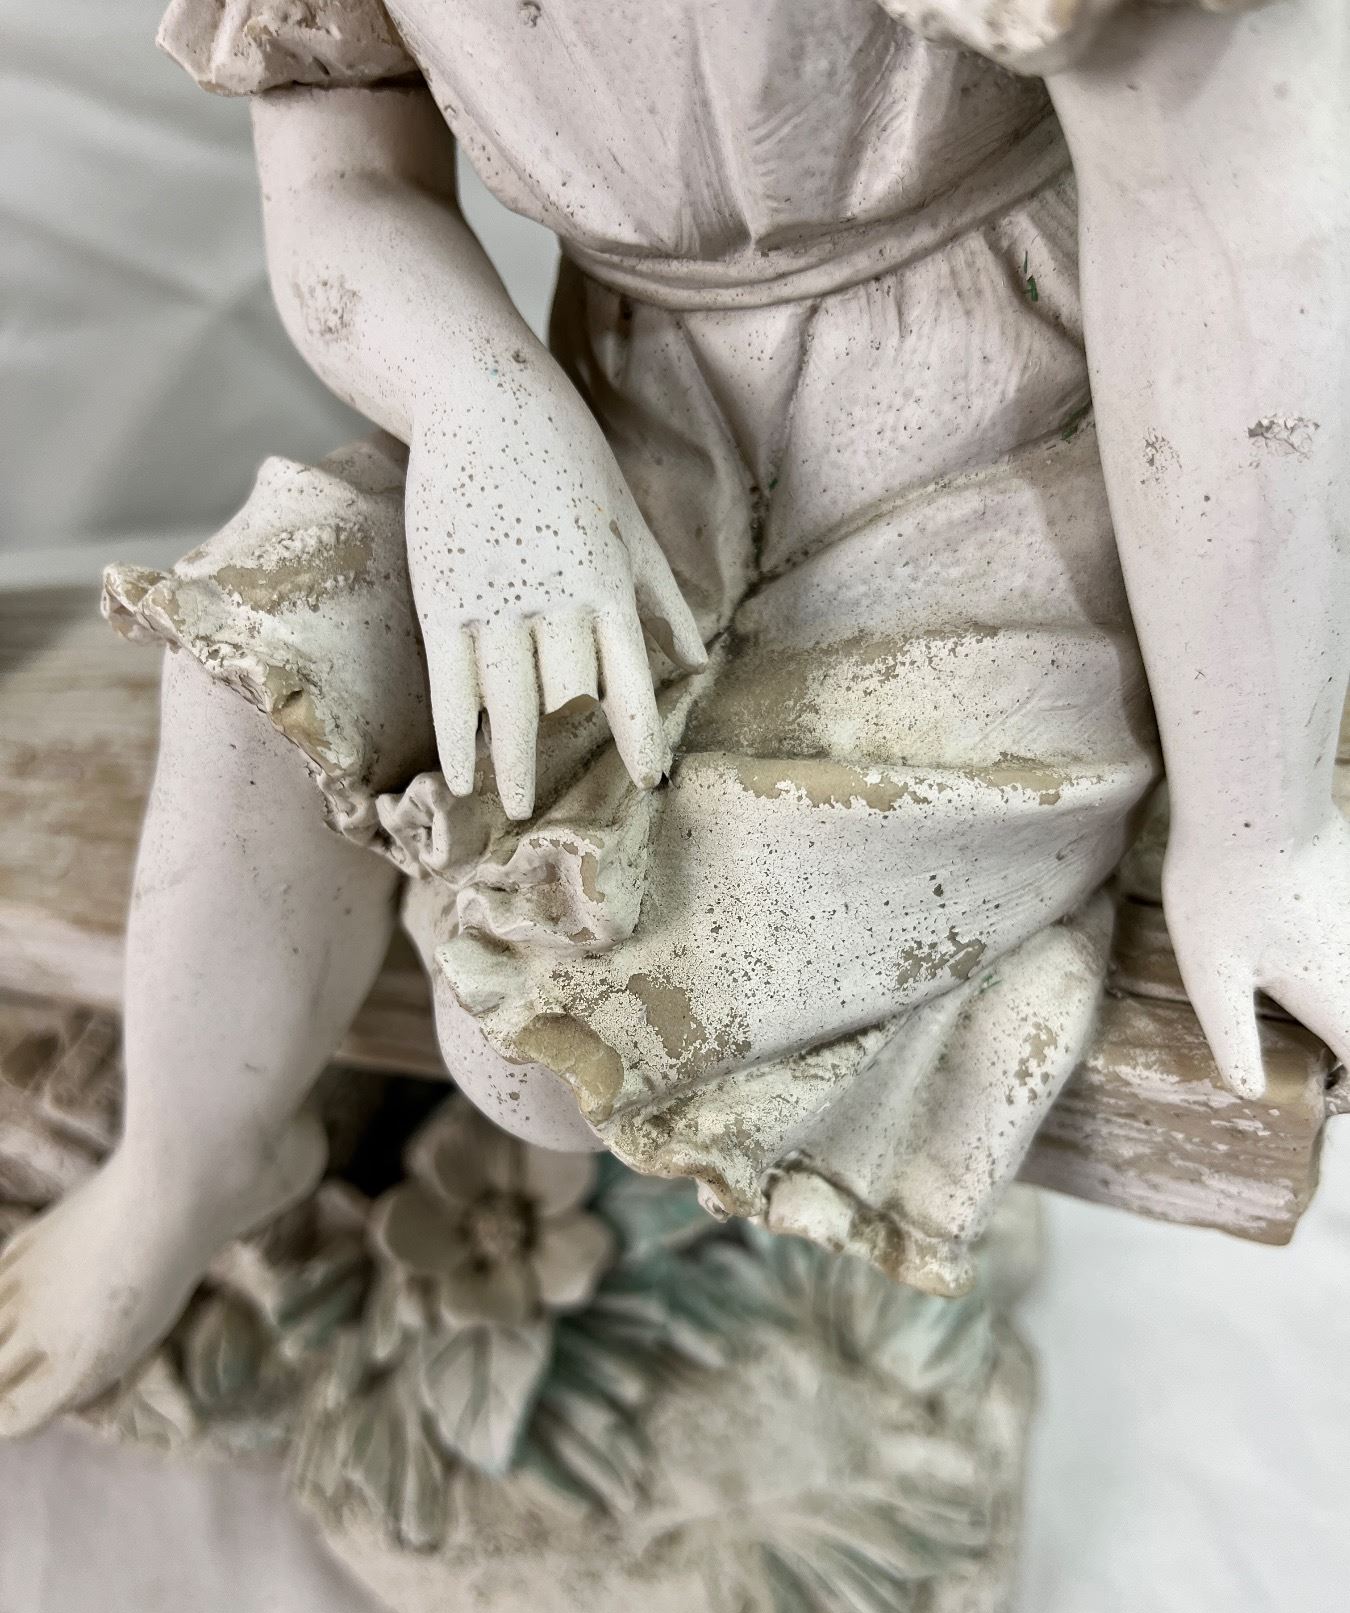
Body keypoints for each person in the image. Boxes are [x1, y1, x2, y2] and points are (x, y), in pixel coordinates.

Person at [0, 0, 1345, 1435]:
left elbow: (1220, 208)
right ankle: (189, 1166)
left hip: (1009, 433)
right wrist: (477, 404)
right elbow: (340, 177)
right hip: (620, 407)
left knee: (535, 1057)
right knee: (266, 653)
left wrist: (1255, 824)